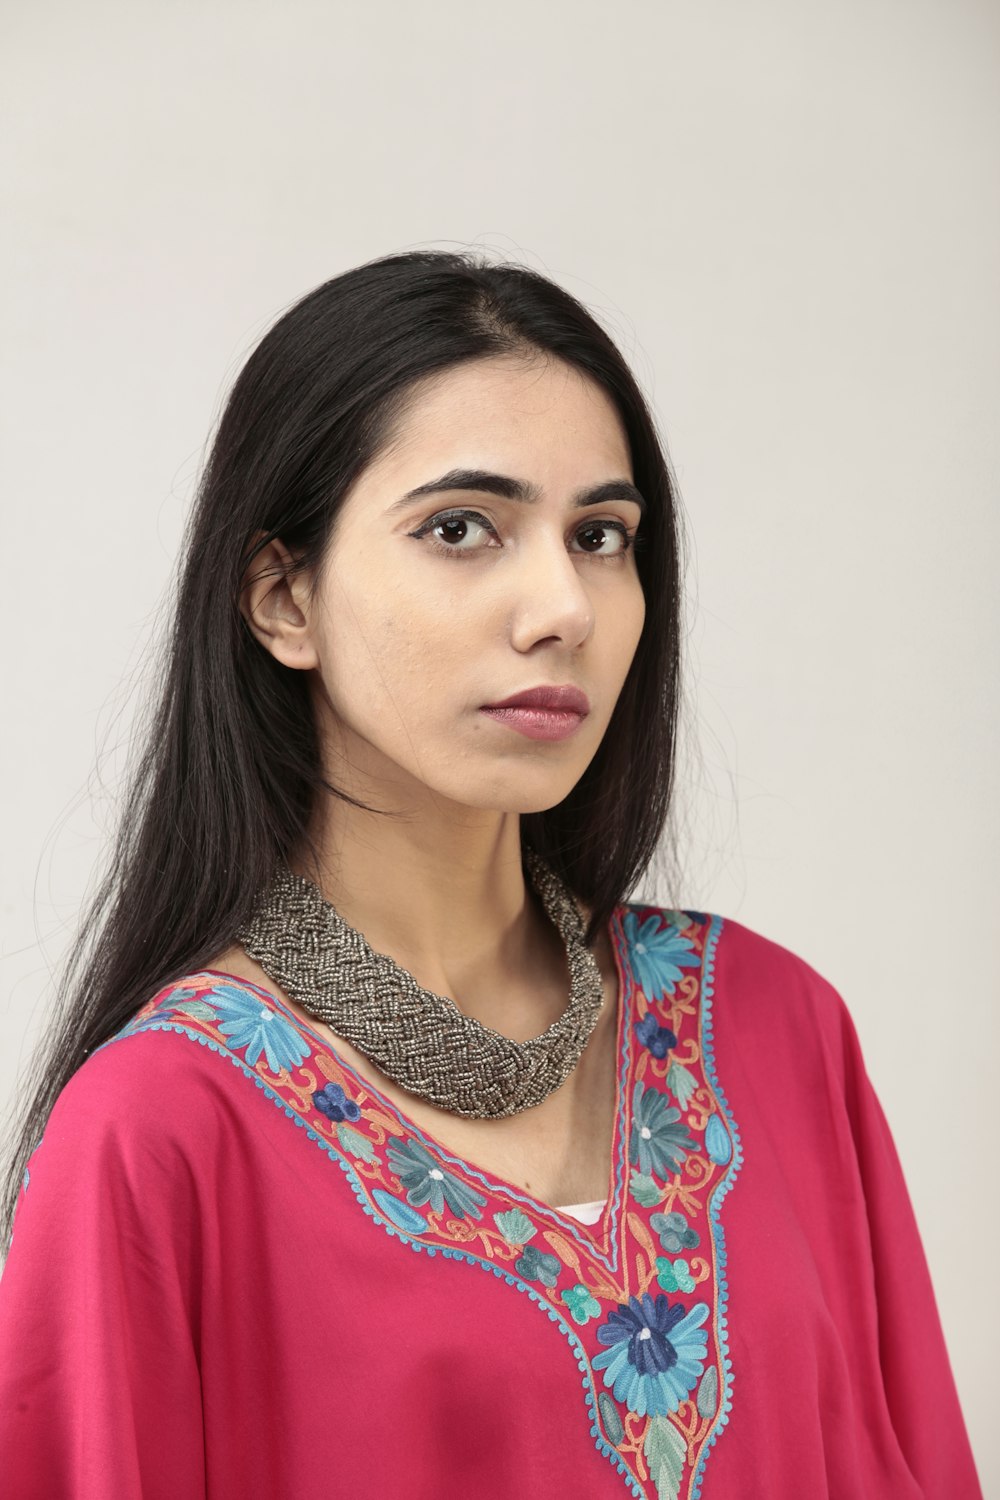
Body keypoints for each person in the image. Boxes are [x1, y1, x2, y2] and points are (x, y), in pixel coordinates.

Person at [0, 250, 980, 1499]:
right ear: (282, 597)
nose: (561, 603)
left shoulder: (775, 1029)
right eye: (460, 529)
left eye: (602, 535)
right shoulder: (162, 1135)